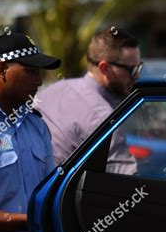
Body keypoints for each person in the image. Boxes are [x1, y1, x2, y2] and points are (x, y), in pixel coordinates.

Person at [0, 33, 60, 232]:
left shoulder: (35, 124)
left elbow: (51, 189)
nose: (39, 80)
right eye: (30, 71)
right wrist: (32, 220)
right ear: (2, 69)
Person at [37, 27, 142, 174]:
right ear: (105, 68)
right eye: (132, 69)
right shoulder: (104, 118)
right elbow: (126, 181)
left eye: (139, 68)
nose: (136, 76)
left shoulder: (54, 89)